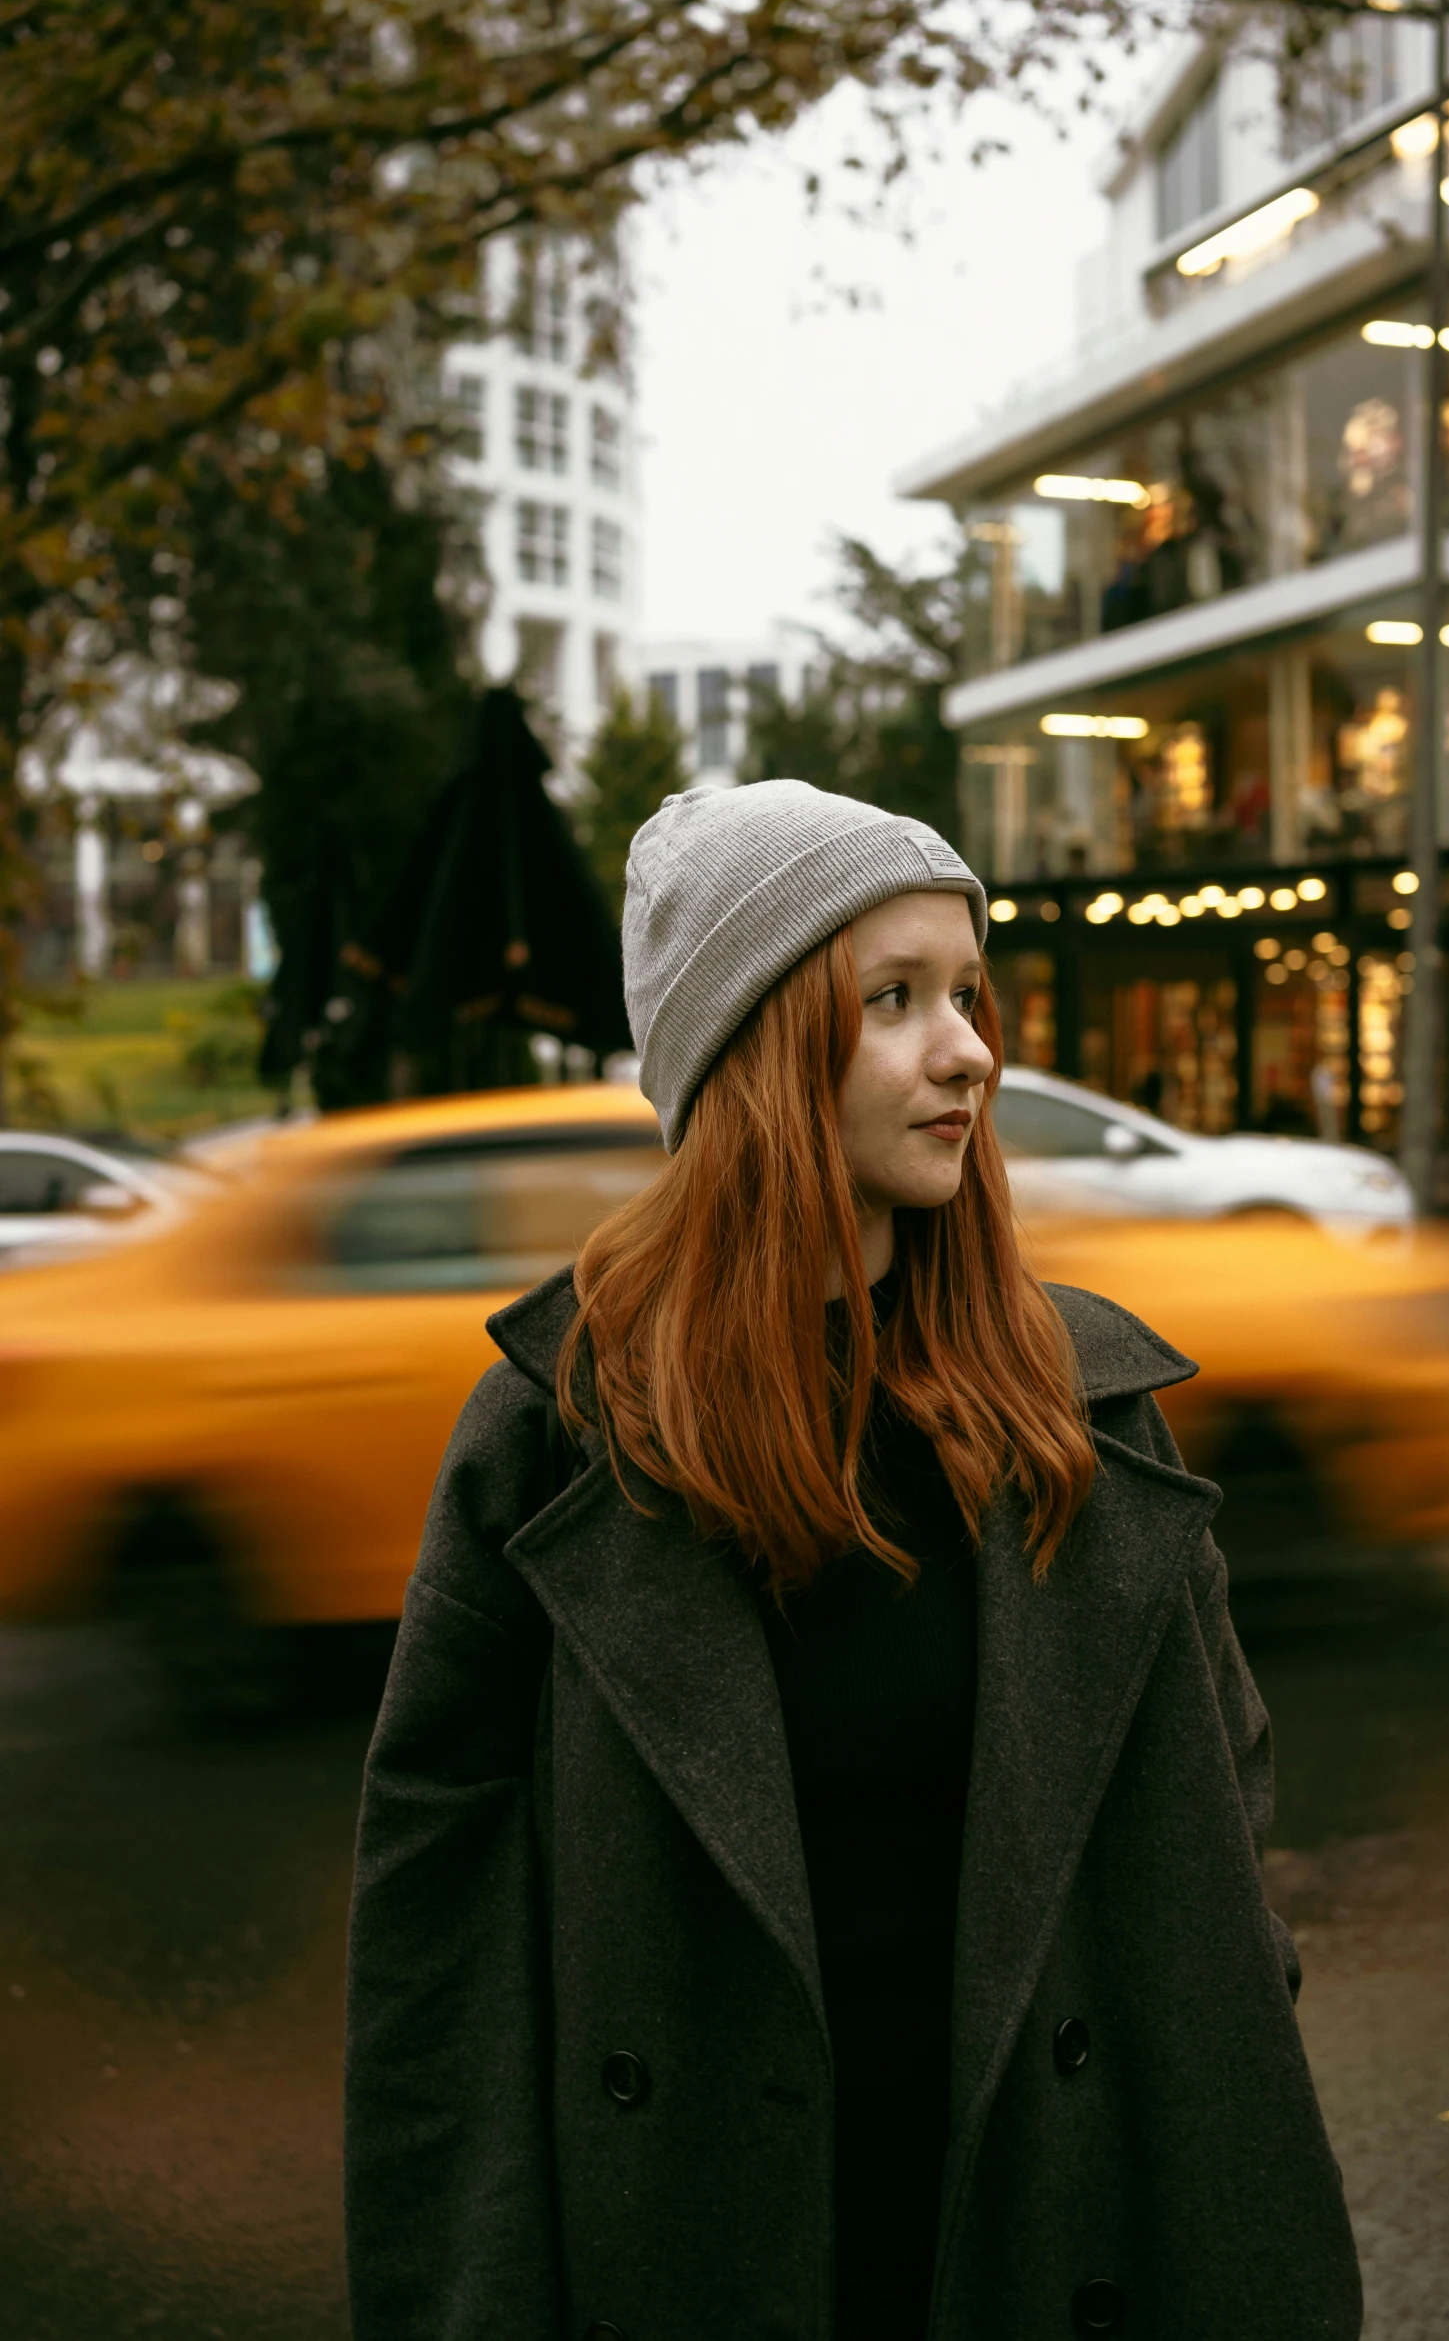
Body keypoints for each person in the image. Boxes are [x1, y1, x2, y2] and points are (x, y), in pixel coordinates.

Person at [343, 780, 1362, 2341]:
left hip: (1053, 2227)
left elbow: (1219, 1790)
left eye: (964, 994)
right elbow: (435, 1935)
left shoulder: (1076, 1408)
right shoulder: (558, 1435)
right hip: (711, 2245)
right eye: (890, 1000)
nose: (966, 1049)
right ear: (749, 1054)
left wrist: (1224, 2033)